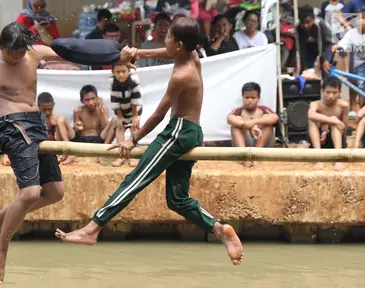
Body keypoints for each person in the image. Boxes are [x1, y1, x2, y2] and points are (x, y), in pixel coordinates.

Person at [55, 17, 244, 266]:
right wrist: (138, 53)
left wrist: (133, 139)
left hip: (177, 131)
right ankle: (219, 230)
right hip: (191, 131)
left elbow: (158, 113)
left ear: (177, 43)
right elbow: (168, 51)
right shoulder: (191, 55)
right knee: (176, 199)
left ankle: (92, 228)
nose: (163, 40)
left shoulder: (182, 74)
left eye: (167, 37)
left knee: (135, 179)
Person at [0, 22, 66, 283]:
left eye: (19, 52)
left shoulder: (35, 53)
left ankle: (2, 219)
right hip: (10, 124)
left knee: (55, 193)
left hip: (36, 122)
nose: (15, 58)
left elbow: (71, 53)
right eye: (10, 53)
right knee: (29, 193)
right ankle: (2, 249)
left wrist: (123, 56)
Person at [333, 8, 365, 116]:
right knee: (361, 88)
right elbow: (342, 45)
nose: (360, 21)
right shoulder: (351, 33)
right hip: (360, 63)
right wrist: (336, 47)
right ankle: (361, 109)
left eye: (363, 18)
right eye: (358, 19)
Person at [56, 85, 117, 165]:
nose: (91, 102)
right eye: (87, 100)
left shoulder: (103, 108)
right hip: (81, 140)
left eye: (93, 99)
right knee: (60, 119)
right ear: (82, 101)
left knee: (116, 120)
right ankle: (68, 152)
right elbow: (76, 129)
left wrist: (101, 111)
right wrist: (77, 127)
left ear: (97, 98)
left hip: (99, 140)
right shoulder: (78, 111)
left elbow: (105, 128)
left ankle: (103, 153)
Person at [227, 82, 278, 167]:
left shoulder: (263, 109)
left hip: (262, 144)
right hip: (245, 144)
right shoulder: (239, 110)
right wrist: (246, 125)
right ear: (243, 97)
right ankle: (245, 157)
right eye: (247, 97)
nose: (249, 100)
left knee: (267, 121)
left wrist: (254, 122)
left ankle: (256, 156)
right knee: (236, 123)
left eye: (253, 97)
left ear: (258, 98)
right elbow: (230, 118)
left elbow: (275, 117)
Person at [308, 76, 349, 171]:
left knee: (335, 123)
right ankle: (319, 158)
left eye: (334, 92)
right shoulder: (315, 104)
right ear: (322, 91)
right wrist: (332, 121)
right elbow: (311, 114)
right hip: (319, 142)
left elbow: (344, 127)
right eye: (328, 92)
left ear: (340, 92)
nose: (331, 96)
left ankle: (338, 159)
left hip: (337, 141)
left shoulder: (343, 105)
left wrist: (331, 124)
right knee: (312, 120)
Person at [109, 63, 142, 167]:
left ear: (129, 71)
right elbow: (114, 99)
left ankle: (133, 156)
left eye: (124, 71)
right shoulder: (112, 82)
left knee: (134, 130)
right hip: (121, 111)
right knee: (119, 128)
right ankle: (121, 156)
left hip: (134, 110)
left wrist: (135, 115)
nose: (121, 75)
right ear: (113, 72)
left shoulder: (134, 80)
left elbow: (135, 98)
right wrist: (119, 116)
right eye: (118, 72)